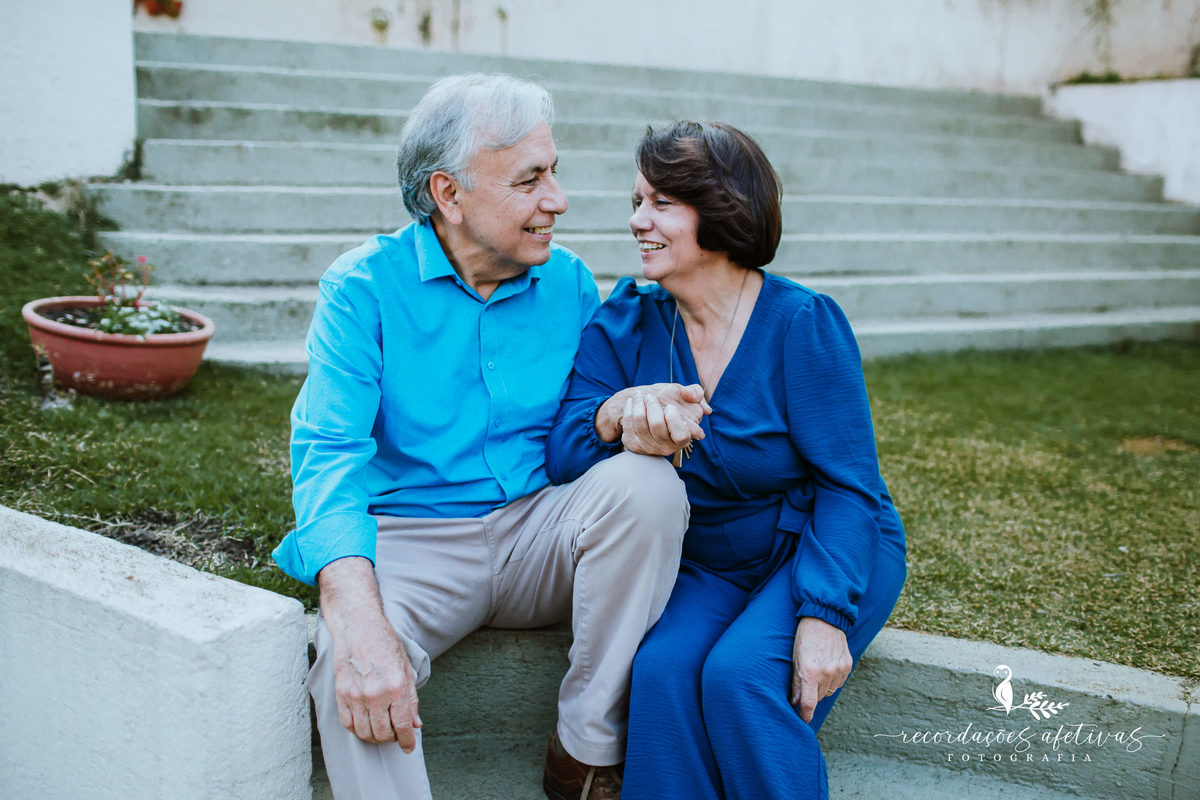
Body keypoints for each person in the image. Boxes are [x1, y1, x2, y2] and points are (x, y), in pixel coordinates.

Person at [272, 74, 691, 800]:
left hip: (538, 530)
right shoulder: (362, 288)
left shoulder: (569, 282)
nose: (556, 200)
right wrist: (355, 612)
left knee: (648, 485)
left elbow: (581, 430)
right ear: (448, 194)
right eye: (530, 180)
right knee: (348, 655)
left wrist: (626, 413)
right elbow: (327, 455)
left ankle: (586, 749)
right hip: (414, 542)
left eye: (553, 173)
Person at [546, 121, 907, 799]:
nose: (636, 222)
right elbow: (563, 450)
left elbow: (850, 486)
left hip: (825, 545)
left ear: (720, 211)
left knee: (740, 678)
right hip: (714, 562)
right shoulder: (627, 323)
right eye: (635, 202)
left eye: (660, 204)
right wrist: (618, 412)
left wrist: (825, 617)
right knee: (659, 675)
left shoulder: (802, 324)